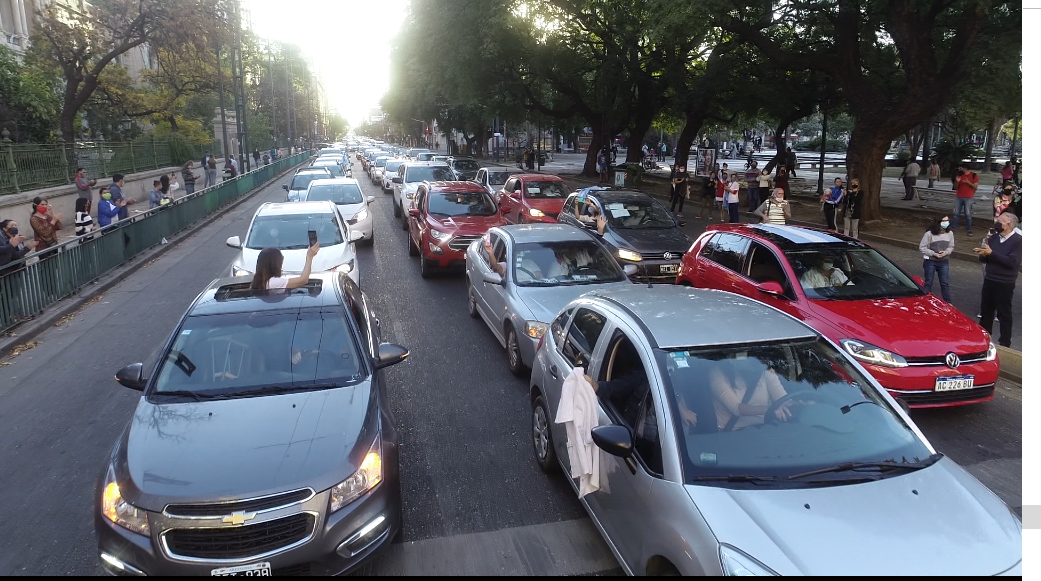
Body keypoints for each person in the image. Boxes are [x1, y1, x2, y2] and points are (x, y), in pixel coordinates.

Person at [974, 212, 1021, 347]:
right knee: (986, 311)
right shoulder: (993, 238)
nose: (997, 222)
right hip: (990, 279)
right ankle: (984, 339)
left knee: (1004, 313)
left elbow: (1012, 262)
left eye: (1000, 221)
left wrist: (992, 254)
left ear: (1009, 224)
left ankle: (1005, 343)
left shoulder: (1018, 241)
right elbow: (987, 259)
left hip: (1005, 282)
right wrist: (983, 254)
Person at [708, 357, 792, 431]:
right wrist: (771, 409)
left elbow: (782, 400)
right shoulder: (717, 373)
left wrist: (800, 403)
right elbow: (737, 409)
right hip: (733, 433)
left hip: (765, 430)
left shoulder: (765, 369)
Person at [249, 243, 320, 291]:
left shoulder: (259, 281)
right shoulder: (273, 282)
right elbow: (303, 280)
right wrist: (309, 257)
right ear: (274, 265)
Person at [918, 215, 954, 303]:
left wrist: (946, 252)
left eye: (947, 221)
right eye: (944, 221)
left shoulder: (950, 233)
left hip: (944, 261)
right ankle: (924, 302)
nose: (947, 223)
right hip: (930, 261)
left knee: (944, 283)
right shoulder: (929, 234)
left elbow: (951, 246)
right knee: (928, 282)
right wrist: (934, 254)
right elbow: (922, 247)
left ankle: (948, 302)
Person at [951, 163, 979, 237]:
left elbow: (975, 187)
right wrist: (957, 181)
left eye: (961, 168)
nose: (960, 169)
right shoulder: (959, 175)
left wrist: (968, 182)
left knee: (968, 214)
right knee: (956, 213)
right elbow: (955, 187)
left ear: (965, 168)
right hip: (959, 196)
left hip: (968, 197)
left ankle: (969, 229)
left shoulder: (974, 175)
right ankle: (954, 228)